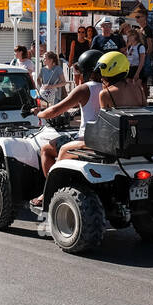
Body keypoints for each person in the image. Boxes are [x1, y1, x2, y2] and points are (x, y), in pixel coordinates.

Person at [29, 48, 107, 202]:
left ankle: (51, 191)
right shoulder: (111, 86)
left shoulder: (84, 88)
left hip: (87, 140)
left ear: (86, 70)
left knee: (46, 149)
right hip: (107, 140)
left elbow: (55, 111)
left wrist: (38, 112)